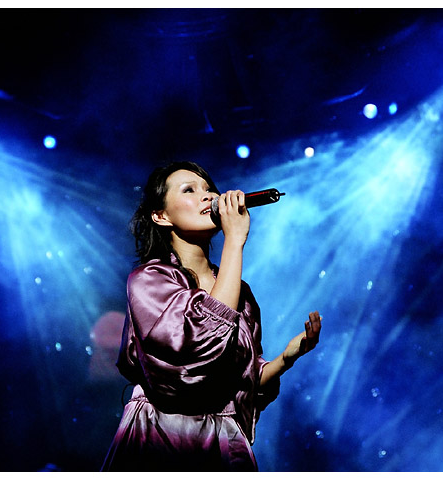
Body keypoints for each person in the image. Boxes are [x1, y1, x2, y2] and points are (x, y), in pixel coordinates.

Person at [101, 161, 322, 471]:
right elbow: (197, 347)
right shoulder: (149, 281)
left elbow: (239, 382)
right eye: (189, 190)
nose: (207, 196)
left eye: (208, 189)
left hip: (221, 440)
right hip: (162, 435)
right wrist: (234, 241)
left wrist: (285, 359)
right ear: (161, 216)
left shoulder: (240, 293)